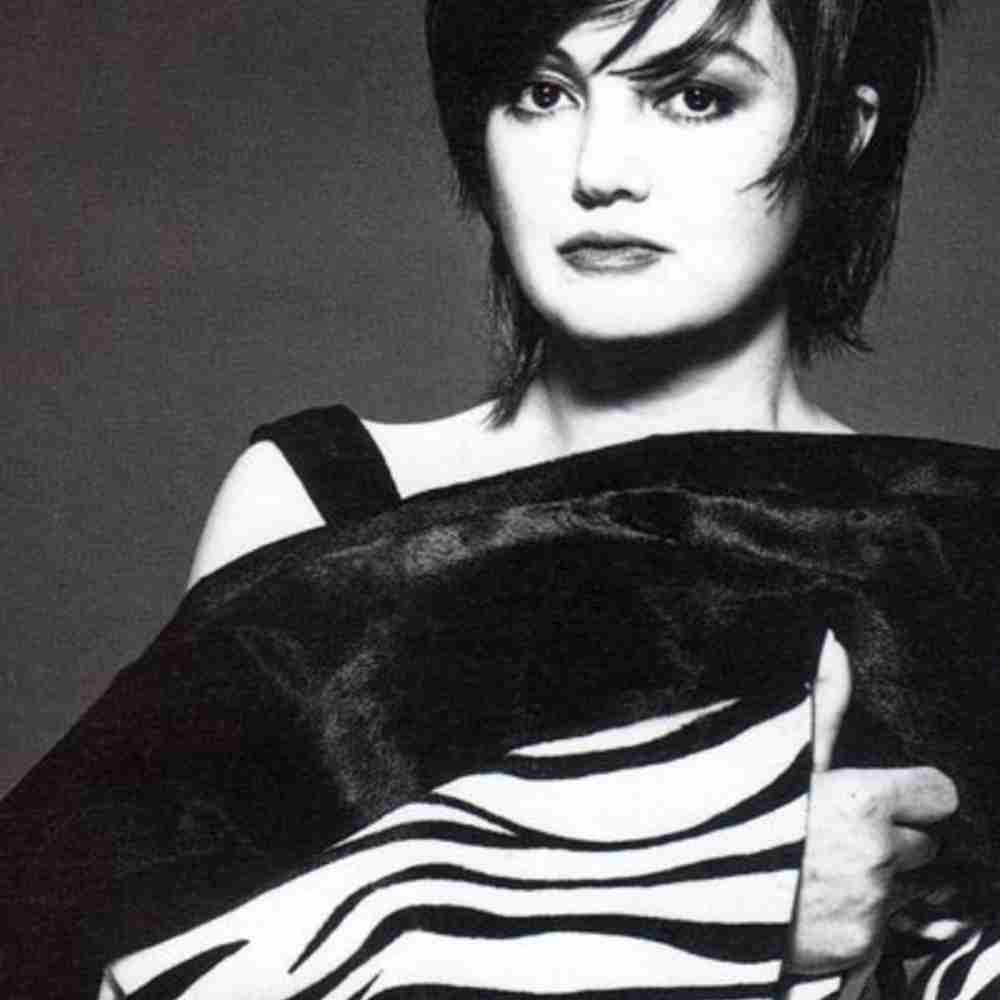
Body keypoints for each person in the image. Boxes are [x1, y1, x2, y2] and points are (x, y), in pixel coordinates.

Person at [3, 1, 998, 998]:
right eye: (542, 93)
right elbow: (129, 968)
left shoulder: (953, 544)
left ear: (843, 128)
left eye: (695, 96)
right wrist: (722, 886)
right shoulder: (329, 503)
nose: (599, 170)